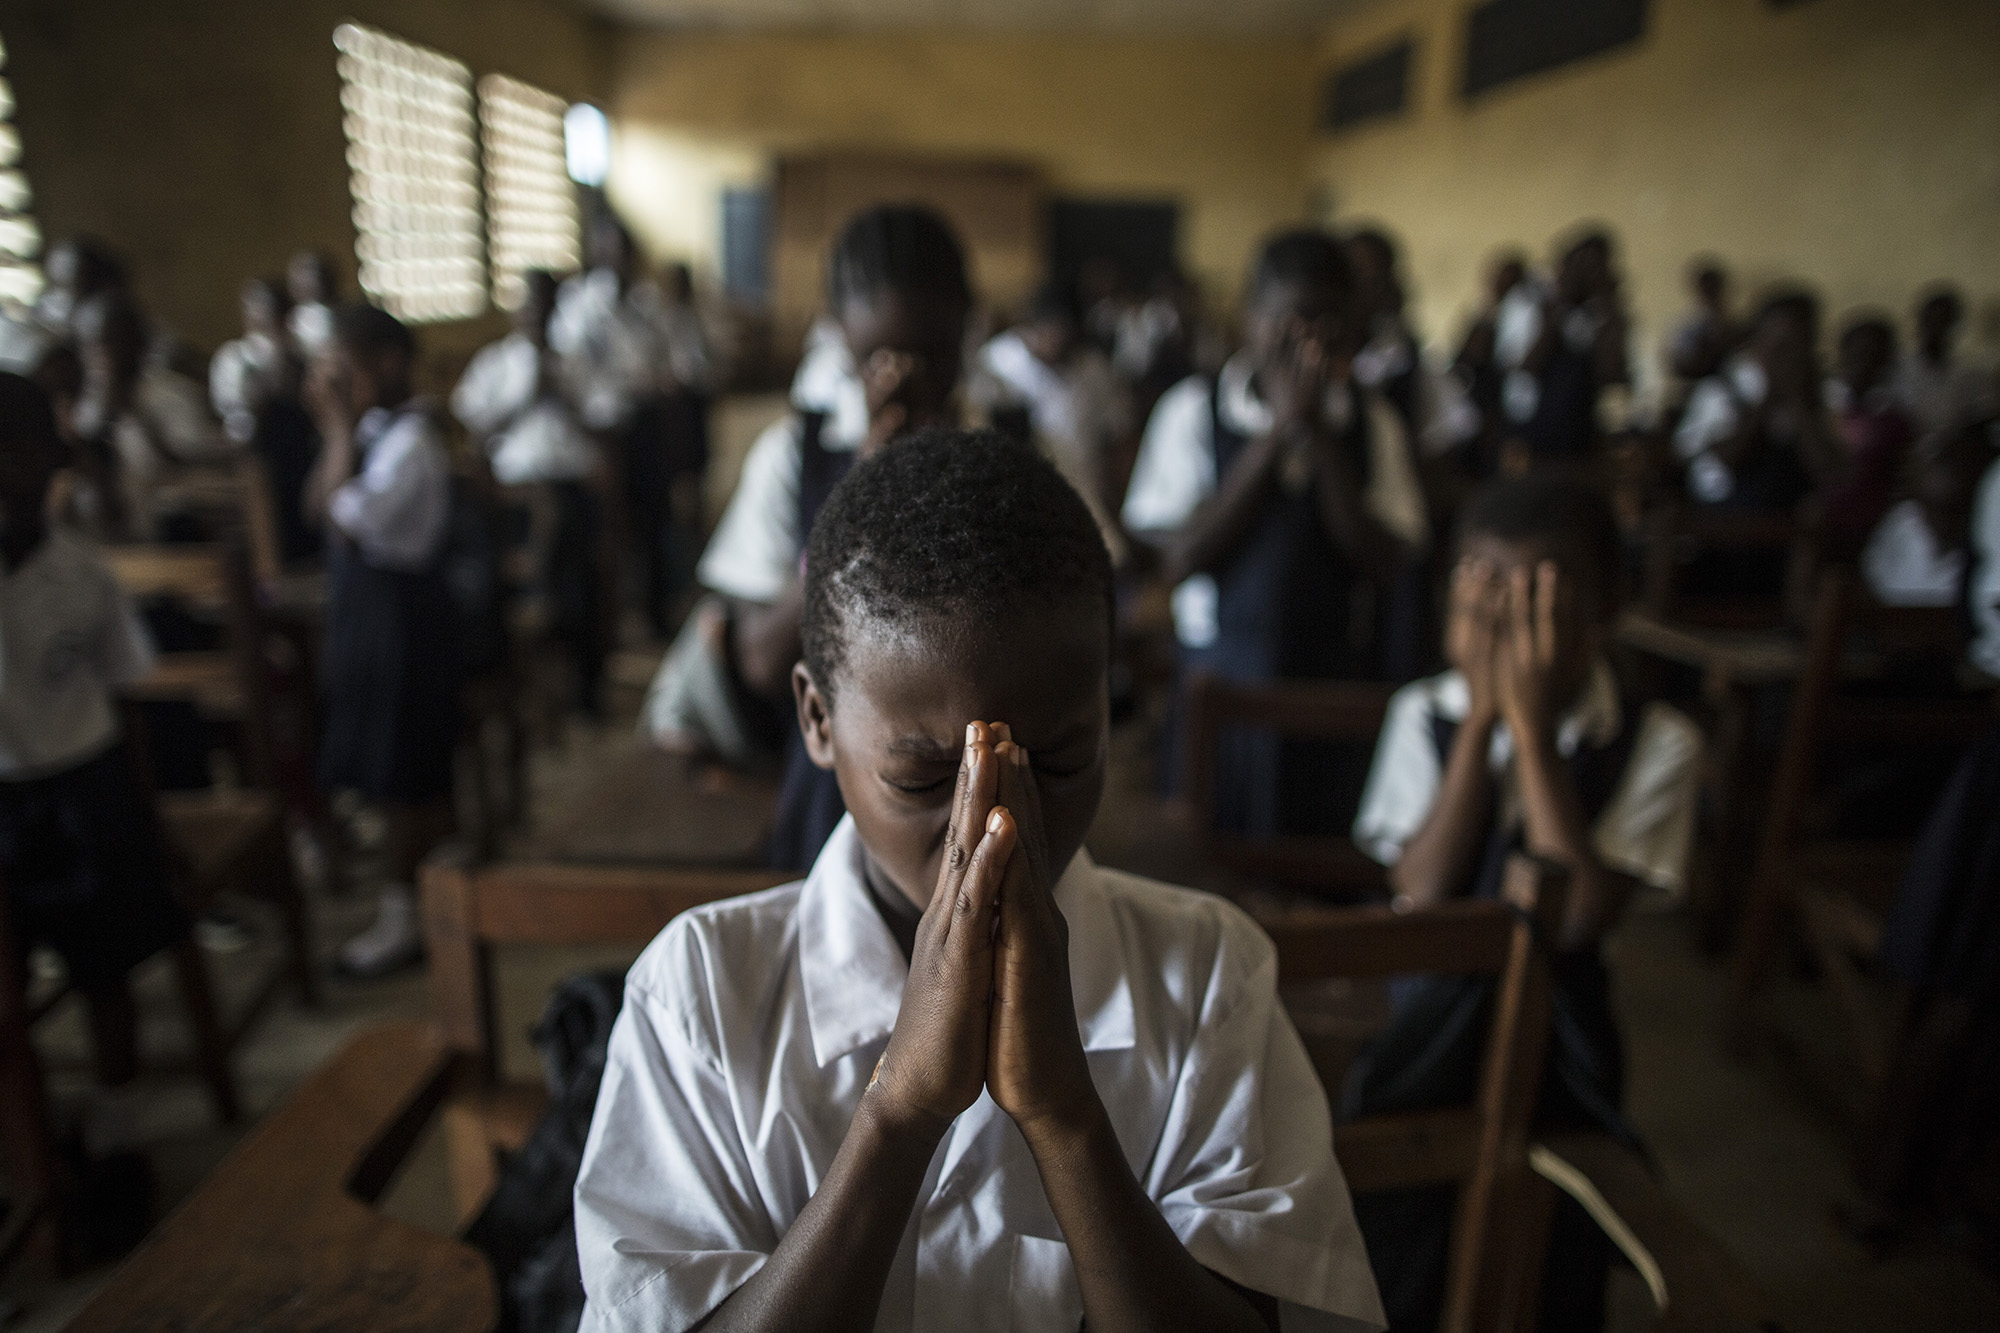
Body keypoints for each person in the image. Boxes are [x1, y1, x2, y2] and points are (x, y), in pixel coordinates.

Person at [575, 430, 1386, 1333]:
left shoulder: (1205, 973)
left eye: (1062, 760)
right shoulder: (701, 991)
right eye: (925, 778)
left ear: (1109, 713)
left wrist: (1065, 1116)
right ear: (815, 718)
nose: (996, 821)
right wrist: (900, 1111)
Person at [1348, 475, 1702, 1332]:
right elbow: (1420, 888)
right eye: (1488, 599)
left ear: (1607, 606)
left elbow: (1579, 918)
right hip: (1422, 1020)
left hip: (1565, 1041)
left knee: (1550, 1259)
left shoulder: (1658, 740)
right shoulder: (1424, 712)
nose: (1513, 634)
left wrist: (1534, 734)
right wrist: (1479, 723)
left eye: (1542, 601)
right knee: (1403, 1242)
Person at [692, 204, 973, 871]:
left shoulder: (1017, 439)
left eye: (935, 355)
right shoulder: (796, 455)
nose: (911, 381)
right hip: (833, 793)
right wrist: (862, 496)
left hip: (987, 783)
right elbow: (760, 660)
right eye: (879, 356)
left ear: (970, 322)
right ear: (836, 332)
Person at [1122, 228, 1428, 836]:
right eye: (1292, 323)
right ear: (1253, 318)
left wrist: (1315, 433)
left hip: (1333, 678)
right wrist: (1275, 436)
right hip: (1220, 676)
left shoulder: (1370, 422)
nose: (1310, 345)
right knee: (1214, 846)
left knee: (1316, 844)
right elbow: (1181, 557)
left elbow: (1382, 559)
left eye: (1329, 326)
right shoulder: (1193, 410)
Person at [0, 373, 190, 1121]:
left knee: (106, 965)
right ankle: (37, 1139)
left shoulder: (82, 575)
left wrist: (153, 818)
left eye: (21, 450)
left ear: (53, 458)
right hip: (5, 803)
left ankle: (118, 1117)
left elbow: (127, 702)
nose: (9, 472)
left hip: (88, 788)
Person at [305, 304, 460, 977]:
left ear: (387, 362)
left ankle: (404, 919)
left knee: (406, 776)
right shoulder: (373, 431)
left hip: (408, 626)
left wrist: (336, 431)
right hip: (372, 622)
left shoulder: (413, 442)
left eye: (343, 368)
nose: (331, 382)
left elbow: (346, 518)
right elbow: (318, 501)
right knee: (395, 765)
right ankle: (432, 890)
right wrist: (340, 432)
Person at [453, 269, 605, 715]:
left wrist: (565, 395)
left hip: (569, 487)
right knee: (509, 588)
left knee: (578, 590)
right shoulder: (495, 363)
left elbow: (602, 425)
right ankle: (525, 687)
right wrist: (524, 396)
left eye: (546, 305)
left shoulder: (576, 361)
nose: (536, 314)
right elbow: (474, 431)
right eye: (529, 305)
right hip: (512, 495)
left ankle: (584, 690)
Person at [1674, 287, 1843, 599]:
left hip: (1794, 556)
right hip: (1722, 541)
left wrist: (1798, 405)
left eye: (1800, 345)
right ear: (1760, 338)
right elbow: (1722, 462)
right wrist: (1768, 399)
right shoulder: (1721, 390)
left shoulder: (1822, 399)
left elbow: (1831, 474)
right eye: (1781, 345)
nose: (1790, 355)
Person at [71, 291, 233, 541]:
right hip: (109, 539)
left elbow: (202, 470)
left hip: (176, 534)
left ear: (139, 343)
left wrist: (136, 415)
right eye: (93, 345)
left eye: (113, 342)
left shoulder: (171, 396)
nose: (102, 356)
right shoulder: (84, 409)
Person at [972, 280, 1131, 523]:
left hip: (1086, 498)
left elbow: (1119, 438)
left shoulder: (1094, 369)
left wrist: (1116, 502)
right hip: (1020, 498)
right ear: (1034, 325)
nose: (1058, 342)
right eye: (1052, 331)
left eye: (1067, 334)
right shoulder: (998, 362)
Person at [1507, 229, 1630, 465]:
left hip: (1584, 427)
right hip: (1533, 426)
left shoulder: (1604, 313)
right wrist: (1561, 303)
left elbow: (1611, 371)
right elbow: (1527, 366)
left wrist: (1606, 304)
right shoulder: (1531, 301)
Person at [1819, 313, 1917, 555]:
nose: (1865, 360)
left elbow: (1903, 471)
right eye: (1859, 351)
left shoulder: (1895, 415)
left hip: (1874, 522)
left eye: (1875, 354)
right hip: (1820, 517)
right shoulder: (1820, 403)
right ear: (1842, 351)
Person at [1893, 286, 1995, 450]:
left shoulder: (1970, 372)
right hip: (1904, 450)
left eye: (1944, 320)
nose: (1937, 327)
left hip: (1953, 453)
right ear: (1919, 320)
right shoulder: (1897, 366)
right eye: (1931, 319)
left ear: (1955, 324)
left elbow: (1983, 415)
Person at [1666, 258, 1738, 387]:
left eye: (1714, 290)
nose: (1710, 296)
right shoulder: (1686, 326)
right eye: (1707, 291)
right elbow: (1677, 365)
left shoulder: (1733, 325)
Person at [286, 250, 342, 361]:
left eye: (314, 275)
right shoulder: (292, 323)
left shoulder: (345, 315)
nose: (309, 283)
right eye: (302, 277)